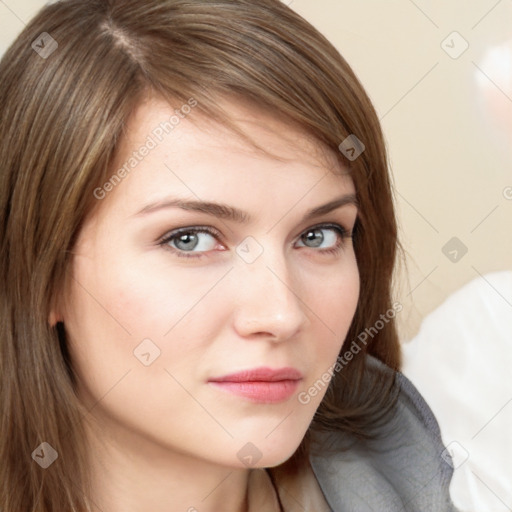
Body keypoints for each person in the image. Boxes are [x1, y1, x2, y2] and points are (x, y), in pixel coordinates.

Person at [0, 0, 457, 510]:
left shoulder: (413, 461)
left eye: (318, 235)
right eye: (189, 239)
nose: (281, 316)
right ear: (39, 274)